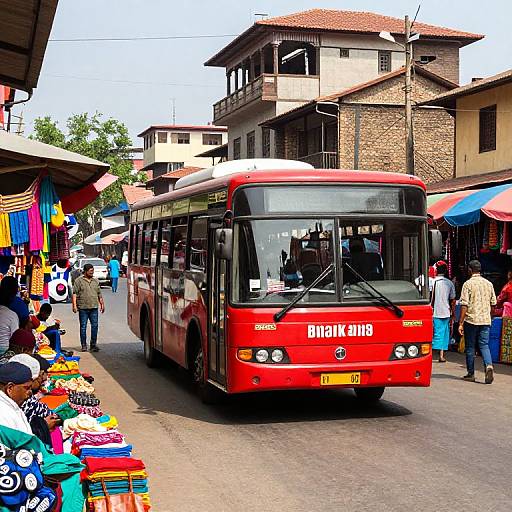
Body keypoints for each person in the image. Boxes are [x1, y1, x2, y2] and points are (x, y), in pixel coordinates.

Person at [458, 260, 497, 384]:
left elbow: (464, 304)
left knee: (470, 347)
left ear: (470, 270)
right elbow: (493, 304)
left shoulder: (467, 284)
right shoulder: (489, 284)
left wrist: (460, 322)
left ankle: (471, 373)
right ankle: (489, 366)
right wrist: (490, 316)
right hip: (485, 320)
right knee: (484, 345)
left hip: (472, 320)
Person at [72, 263, 104, 352]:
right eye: (90, 271)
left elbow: (99, 294)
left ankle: (93, 345)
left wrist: (102, 304)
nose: (92, 272)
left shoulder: (96, 281)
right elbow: (74, 294)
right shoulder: (78, 281)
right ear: (85, 271)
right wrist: (74, 305)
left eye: (93, 271)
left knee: (95, 326)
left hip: (94, 307)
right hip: (83, 307)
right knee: (83, 327)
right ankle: (84, 345)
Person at [431, 261, 456, 363]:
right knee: (444, 333)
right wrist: (453, 312)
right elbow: (453, 299)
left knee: (435, 333)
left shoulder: (432, 282)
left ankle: (430, 354)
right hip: (446, 311)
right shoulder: (449, 283)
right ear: (445, 271)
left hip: (435, 311)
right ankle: (441, 355)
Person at [0, 361, 33, 434]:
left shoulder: (12, 406)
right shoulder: (4, 415)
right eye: (27, 388)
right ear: (10, 388)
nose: (30, 393)